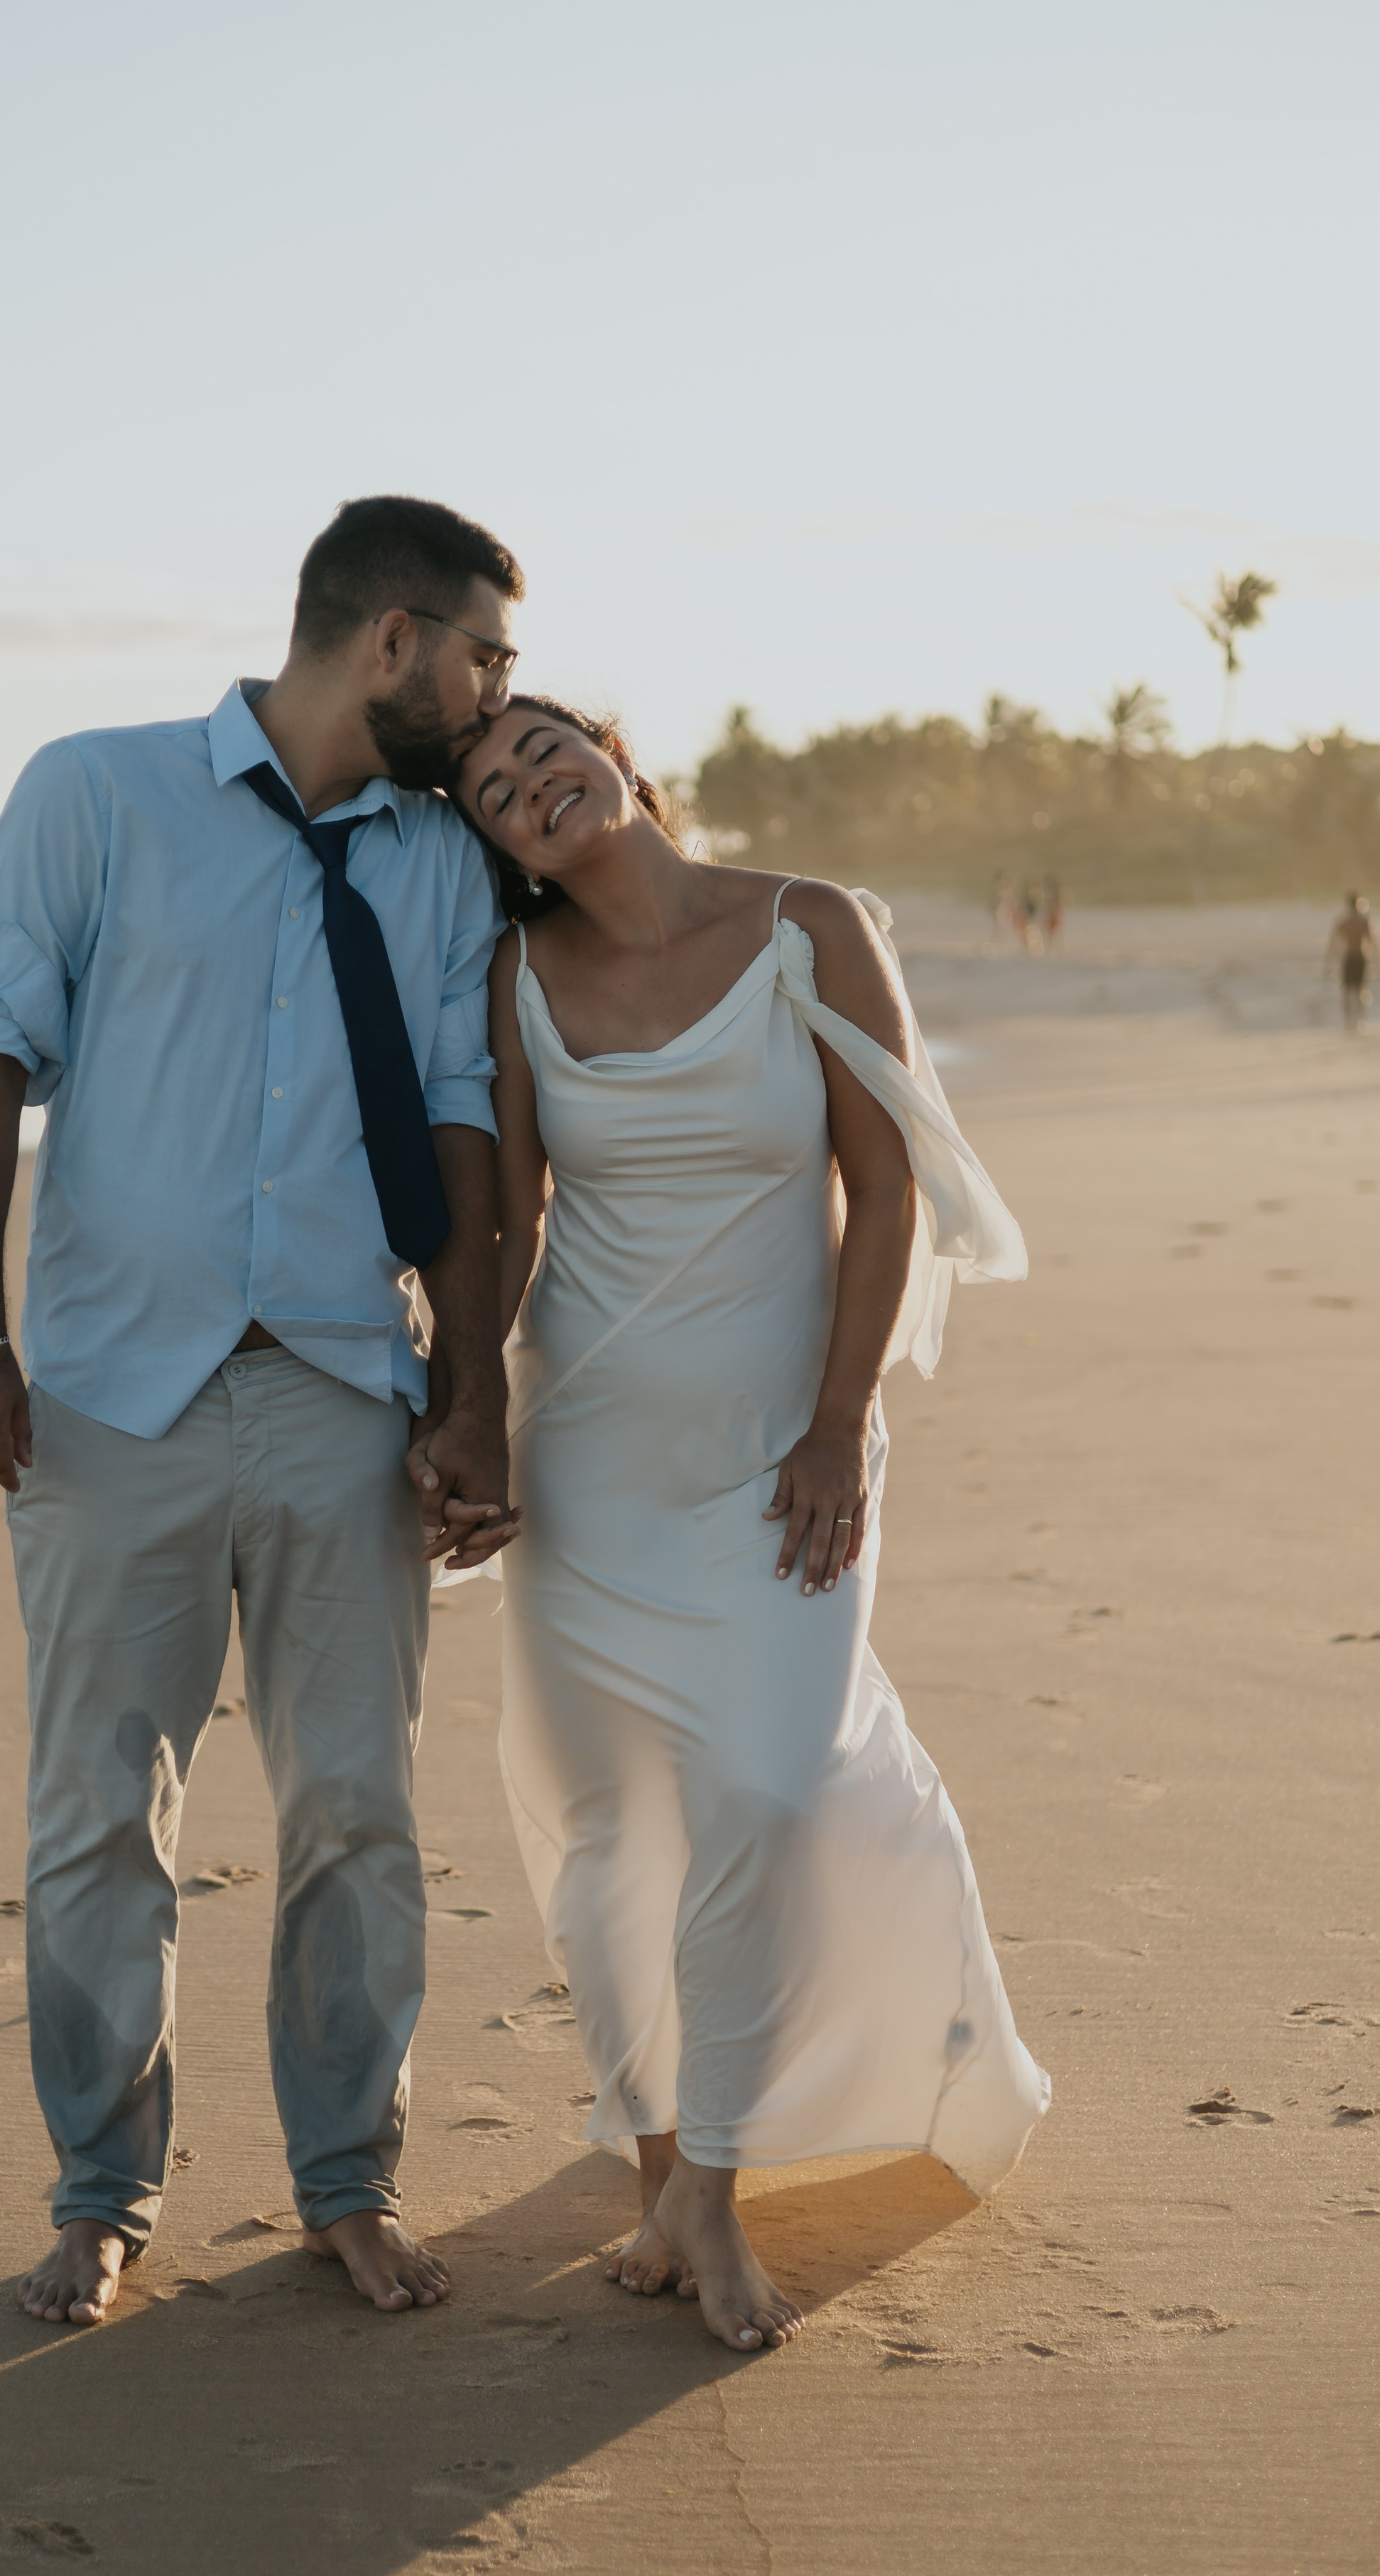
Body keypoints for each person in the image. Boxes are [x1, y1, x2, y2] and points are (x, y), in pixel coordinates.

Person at [0, 496, 523, 2328]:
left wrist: (473, 1392)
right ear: (392, 639)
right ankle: (101, 2193)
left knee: (357, 1808)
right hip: (113, 1396)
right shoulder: (93, 794)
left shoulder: (439, 859)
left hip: (347, 1391)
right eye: (485, 656)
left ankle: (348, 2181)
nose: (500, 694)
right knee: (98, 1812)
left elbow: (464, 1129)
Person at [445, 694, 1049, 2354]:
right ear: (497, 846)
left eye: (544, 749)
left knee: (766, 1796)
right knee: (602, 1830)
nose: (528, 784)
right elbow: (507, 1219)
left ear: (618, 759)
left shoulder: (808, 926)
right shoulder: (516, 975)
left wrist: (838, 1422)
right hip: (586, 1463)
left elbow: (886, 1180)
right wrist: (464, 1409)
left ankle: (711, 2176)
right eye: (491, 790)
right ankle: (664, 2168)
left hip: (779, 1461)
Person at [1326, 893, 1375, 1030]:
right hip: (1360, 957)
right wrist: (1376, 961)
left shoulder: (1344, 922)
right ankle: (1360, 1020)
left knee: (1348, 991)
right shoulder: (1363, 921)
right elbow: (1373, 943)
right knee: (1360, 989)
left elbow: (1333, 944)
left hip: (1349, 958)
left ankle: (1349, 1021)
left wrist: (1330, 961)